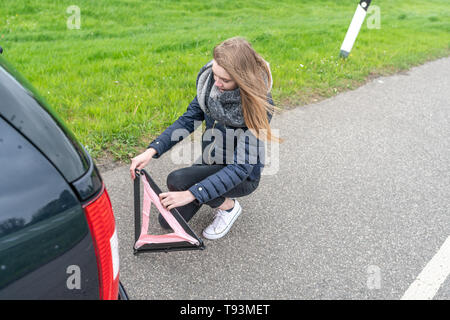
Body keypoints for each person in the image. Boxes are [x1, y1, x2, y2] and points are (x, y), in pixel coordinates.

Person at [130, 37, 281, 240]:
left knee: (177, 180)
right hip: (212, 159)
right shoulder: (210, 86)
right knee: (166, 222)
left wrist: (191, 193)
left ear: (242, 79)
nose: (216, 83)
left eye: (225, 80)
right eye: (215, 74)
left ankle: (229, 207)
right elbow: (187, 121)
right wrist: (152, 150)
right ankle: (209, 192)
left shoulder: (258, 106)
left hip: (243, 175)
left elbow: (240, 168)